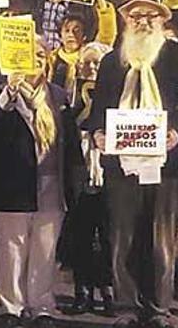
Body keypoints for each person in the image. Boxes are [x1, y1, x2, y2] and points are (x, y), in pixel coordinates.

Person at [84, 0, 178, 328]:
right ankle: (126, 306)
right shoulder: (112, 60)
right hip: (122, 165)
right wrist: (98, 134)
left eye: (150, 16)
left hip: (167, 164)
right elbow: (99, 109)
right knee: (123, 238)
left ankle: (159, 309)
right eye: (136, 16)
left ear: (162, 20)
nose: (143, 22)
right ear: (126, 20)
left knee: (161, 240)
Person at [0, 35, 82, 328]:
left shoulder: (59, 96)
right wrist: (8, 93)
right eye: (29, 54)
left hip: (52, 183)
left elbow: (71, 142)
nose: (36, 58)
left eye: (41, 54)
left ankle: (41, 306)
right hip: (12, 183)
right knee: (12, 247)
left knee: (45, 249)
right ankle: (11, 306)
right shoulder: (2, 93)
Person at [63, 41, 115, 316]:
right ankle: (82, 291)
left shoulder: (117, 92)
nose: (92, 67)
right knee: (80, 234)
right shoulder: (69, 92)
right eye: (88, 62)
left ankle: (107, 290)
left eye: (98, 63)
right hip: (79, 167)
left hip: (108, 169)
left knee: (108, 235)